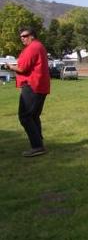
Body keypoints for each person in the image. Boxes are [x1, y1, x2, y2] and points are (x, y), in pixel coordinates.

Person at [5, 27, 50, 157]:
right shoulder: (38, 46)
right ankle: (39, 144)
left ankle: (37, 146)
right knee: (33, 116)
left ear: (32, 36)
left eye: (24, 36)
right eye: (21, 37)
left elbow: (22, 68)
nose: (22, 38)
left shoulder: (33, 47)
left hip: (32, 85)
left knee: (25, 116)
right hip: (39, 86)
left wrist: (10, 67)